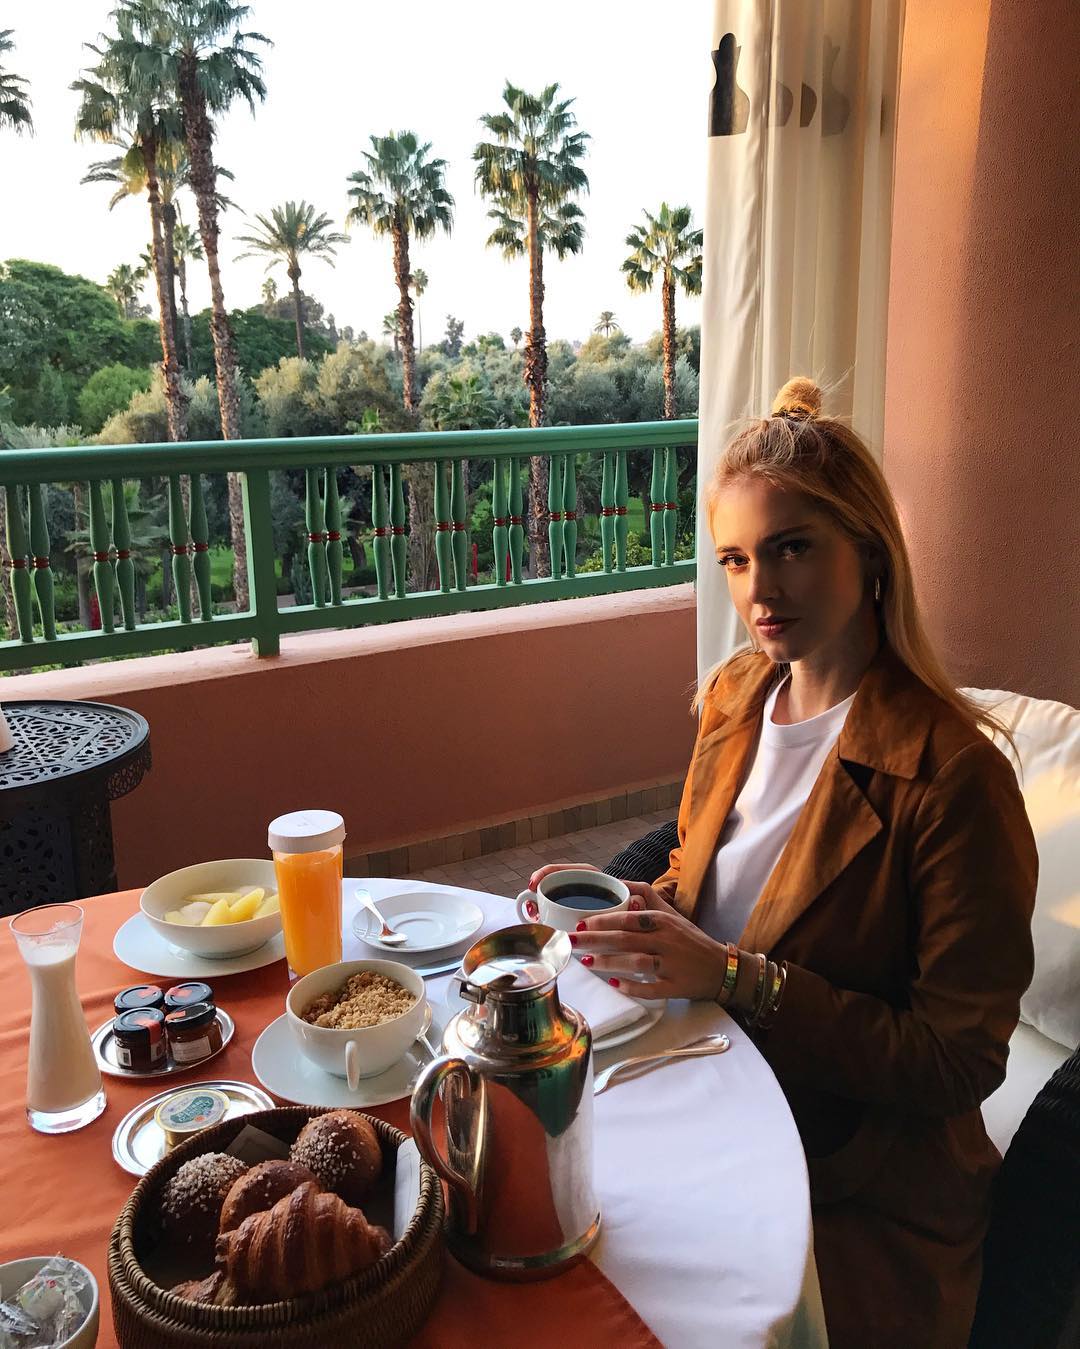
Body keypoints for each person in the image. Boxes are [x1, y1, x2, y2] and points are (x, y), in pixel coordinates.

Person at [530, 378, 1037, 1349]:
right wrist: (649, 907)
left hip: (853, 1182)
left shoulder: (954, 779)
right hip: (705, 1090)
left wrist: (737, 978)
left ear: (870, 549)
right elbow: (706, 873)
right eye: (736, 558)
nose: (759, 590)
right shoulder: (737, 694)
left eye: (793, 548)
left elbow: (957, 1061)